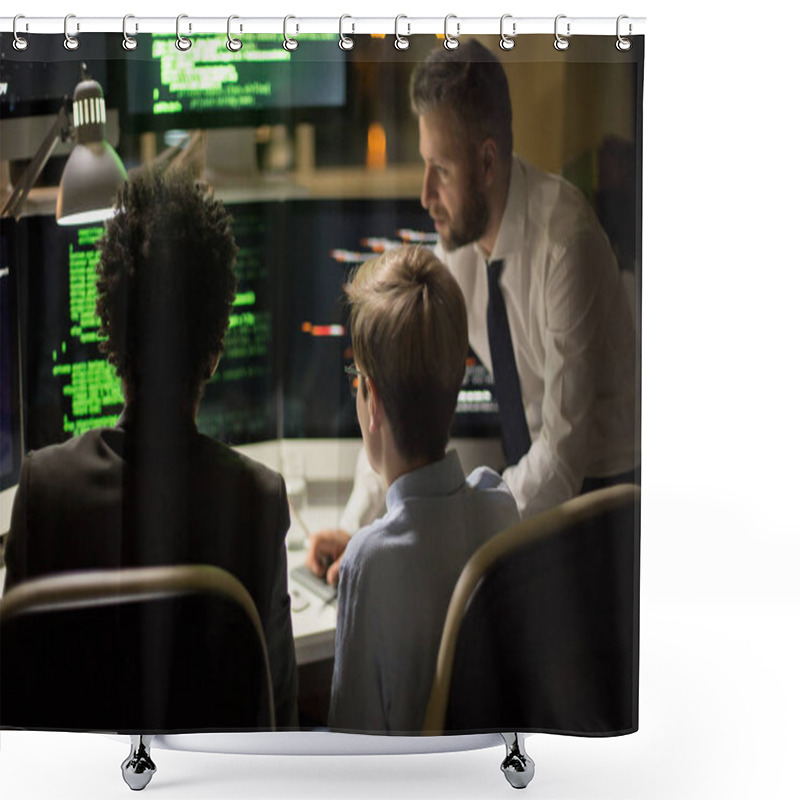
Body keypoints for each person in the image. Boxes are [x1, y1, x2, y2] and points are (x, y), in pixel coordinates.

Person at [308, 39, 639, 586]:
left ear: (487, 161)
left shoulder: (566, 243)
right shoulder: (459, 246)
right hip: (536, 485)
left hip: (606, 500)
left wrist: (452, 537)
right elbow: (397, 386)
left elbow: (561, 457)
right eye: (423, 165)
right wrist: (358, 528)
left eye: (440, 168)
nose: (424, 193)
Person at [2, 168, 298, 729]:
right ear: (214, 350)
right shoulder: (256, 500)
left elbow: (13, 726)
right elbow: (277, 722)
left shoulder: (43, 491)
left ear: (109, 338)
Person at [327, 245, 519, 733]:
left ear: (369, 401)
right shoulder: (500, 509)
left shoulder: (367, 563)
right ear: (458, 382)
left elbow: (352, 751)